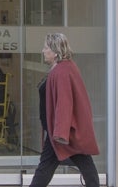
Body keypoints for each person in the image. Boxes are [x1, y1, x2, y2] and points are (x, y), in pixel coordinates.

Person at [29, 33, 99, 187]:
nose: (42, 51)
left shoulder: (61, 71)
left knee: (48, 167)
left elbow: (64, 102)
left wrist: (60, 133)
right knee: (80, 163)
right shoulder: (63, 69)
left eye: (46, 48)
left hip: (62, 132)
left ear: (55, 52)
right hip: (61, 131)